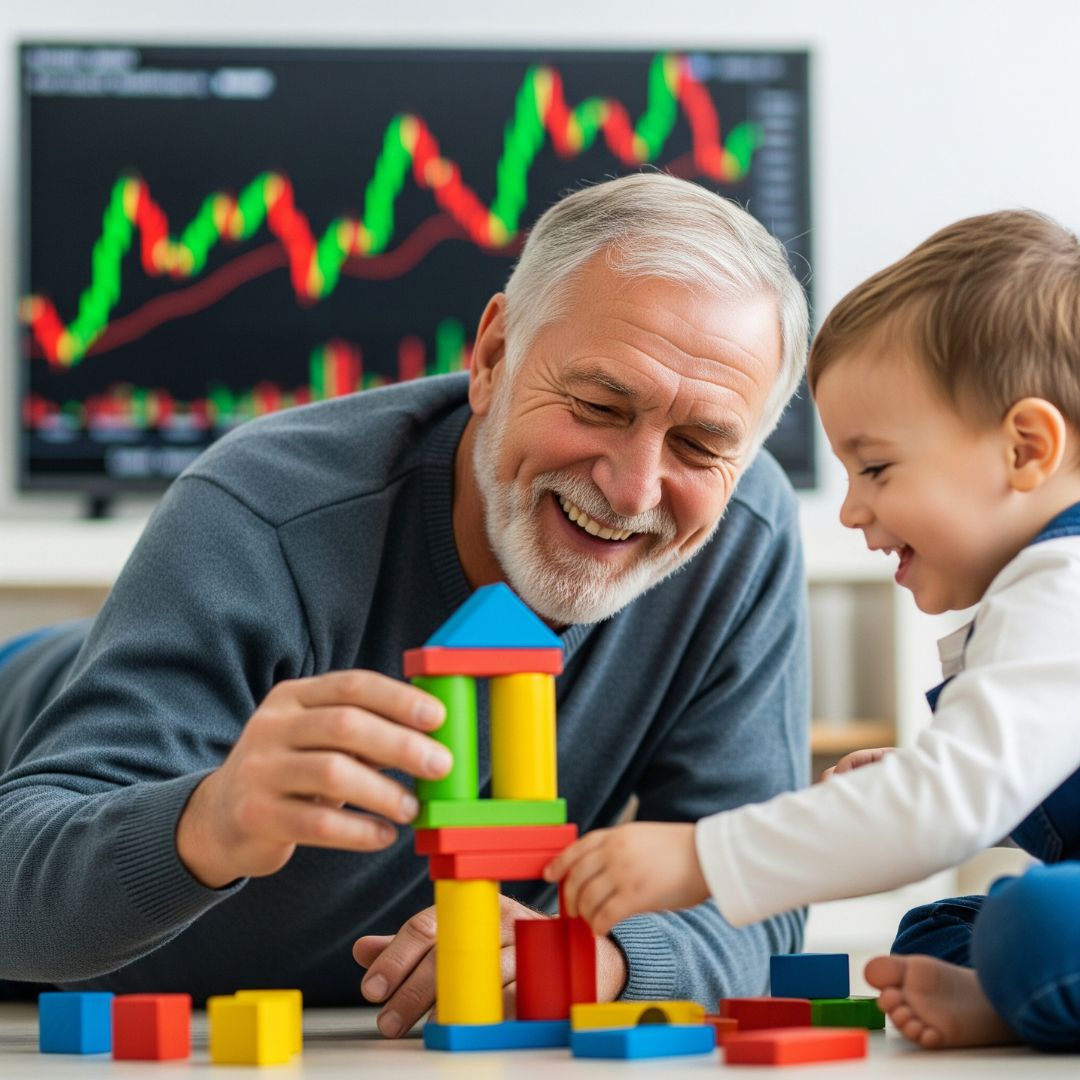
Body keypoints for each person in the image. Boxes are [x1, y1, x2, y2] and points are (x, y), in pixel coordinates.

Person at [0, 173, 812, 1035]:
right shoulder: (264, 510)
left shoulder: (742, 538)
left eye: (699, 444)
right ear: (493, 357)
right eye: (598, 405)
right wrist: (208, 820)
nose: (635, 486)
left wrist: (605, 962)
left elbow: (762, 891)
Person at [549, 208, 1080, 1053]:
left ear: (1025, 449)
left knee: (1036, 920)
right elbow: (991, 783)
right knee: (936, 931)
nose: (852, 510)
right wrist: (918, 780)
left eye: (875, 468)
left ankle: (1018, 989)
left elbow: (950, 805)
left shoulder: (1063, 583)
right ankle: (1010, 997)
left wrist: (702, 858)